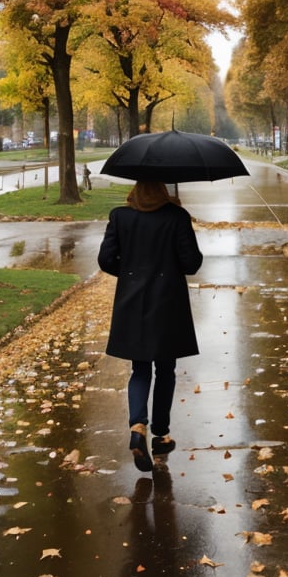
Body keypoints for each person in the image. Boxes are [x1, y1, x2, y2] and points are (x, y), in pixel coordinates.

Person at [98, 180, 203, 473]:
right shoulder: (176, 217)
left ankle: (137, 427)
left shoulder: (120, 216)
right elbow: (191, 263)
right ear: (162, 190)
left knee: (140, 368)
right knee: (165, 368)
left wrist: (132, 272)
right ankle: (161, 434)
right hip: (167, 301)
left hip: (133, 301)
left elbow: (106, 260)